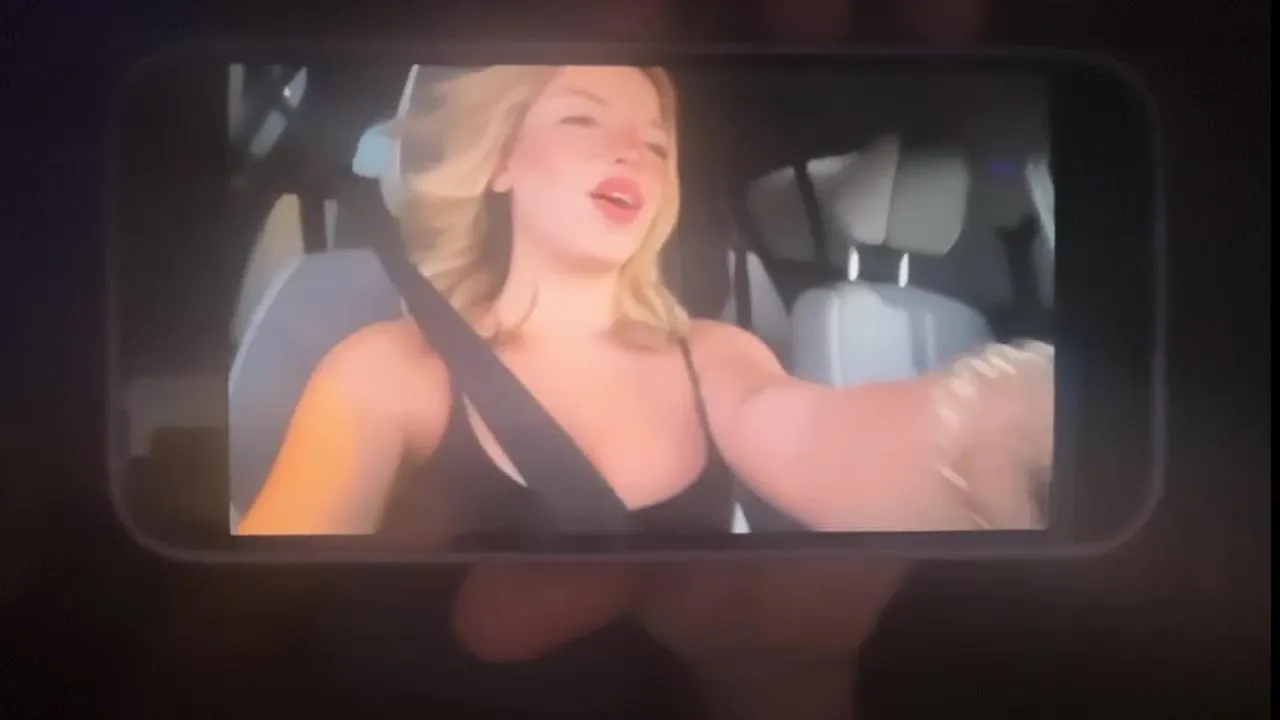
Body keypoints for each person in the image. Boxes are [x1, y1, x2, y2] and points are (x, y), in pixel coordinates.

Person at [236, 63, 1052, 540]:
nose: (634, 148)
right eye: (582, 119)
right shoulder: (386, 372)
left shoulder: (717, 355)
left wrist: (992, 431)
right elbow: (267, 610)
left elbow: (820, 438)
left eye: (658, 142)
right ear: (500, 163)